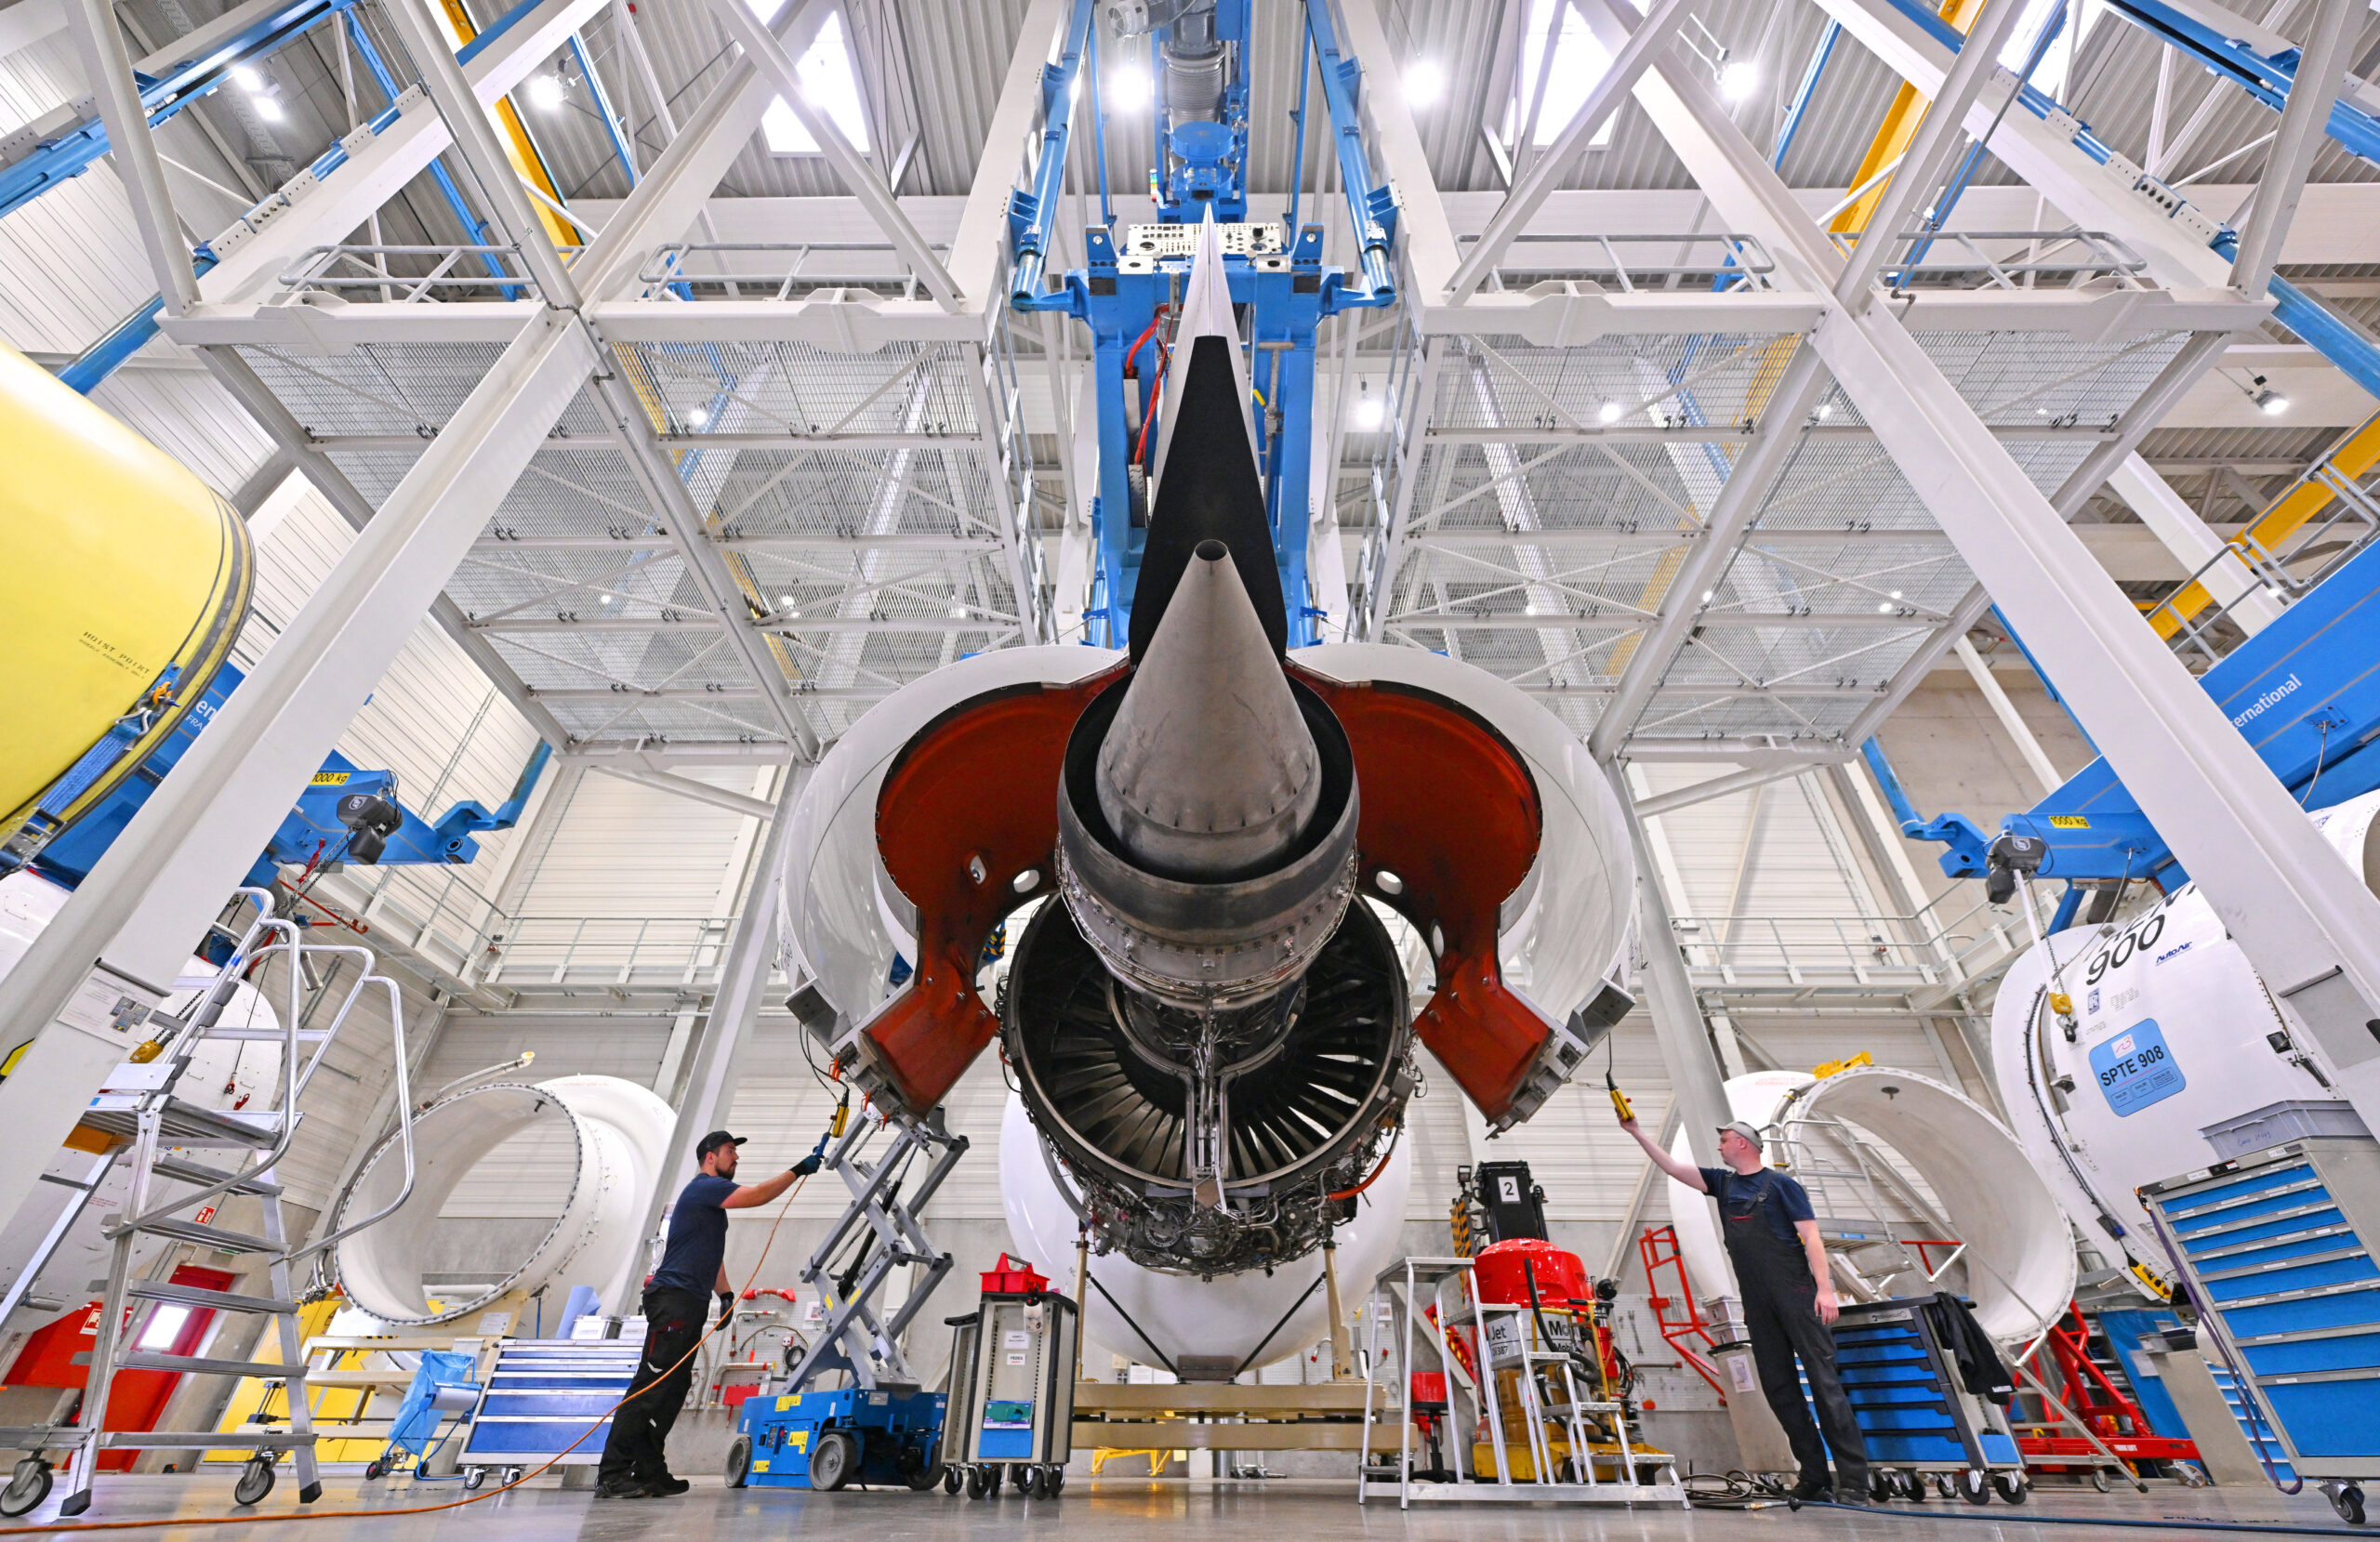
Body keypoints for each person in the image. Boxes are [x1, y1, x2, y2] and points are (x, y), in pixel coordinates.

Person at [1620, 1114, 1870, 1502]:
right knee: (1779, 1389)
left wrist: (1825, 1289)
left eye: (1724, 1140)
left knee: (1825, 1386)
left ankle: (1855, 1482)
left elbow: (1812, 1237)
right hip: (1757, 1302)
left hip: (1798, 1296)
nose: (1718, 1147)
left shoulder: (1783, 1185)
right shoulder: (1722, 1183)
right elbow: (1670, 1166)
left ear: (1742, 1143)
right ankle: (1815, 1477)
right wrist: (1636, 1133)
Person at [595, 1130, 818, 1498]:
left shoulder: (709, 1204)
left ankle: (649, 1470)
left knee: (672, 1390)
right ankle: (613, 1473)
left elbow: (709, 1253)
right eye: (731, 1151)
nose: (736, 1158)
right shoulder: (704, 1187)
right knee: (650, 1389)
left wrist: (725, 1293)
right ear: (710, 1157)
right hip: (673, 1301)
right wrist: (797, 1170)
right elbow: (758, 1195)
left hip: (690, 1302)